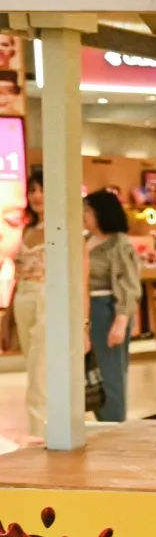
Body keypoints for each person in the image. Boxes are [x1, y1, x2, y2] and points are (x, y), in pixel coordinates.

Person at [84, 189, 142, 423]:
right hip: (86, 309)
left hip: (106, 310)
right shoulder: (86, 240)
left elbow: (129, 283)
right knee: (90, 372)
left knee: (110, 374)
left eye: (88, 210)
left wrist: (121, 320)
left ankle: (114, 424)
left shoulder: (119, 243)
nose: (84, 215)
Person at [10, 176, 46, 444]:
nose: (37, 196)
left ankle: (41, 433)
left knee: (40, 367)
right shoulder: (27, 230)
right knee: (32, 366)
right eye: (32, 190)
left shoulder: (62, 228)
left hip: (48, 296)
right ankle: (39, 431)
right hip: (23, 295)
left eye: (42, 190)